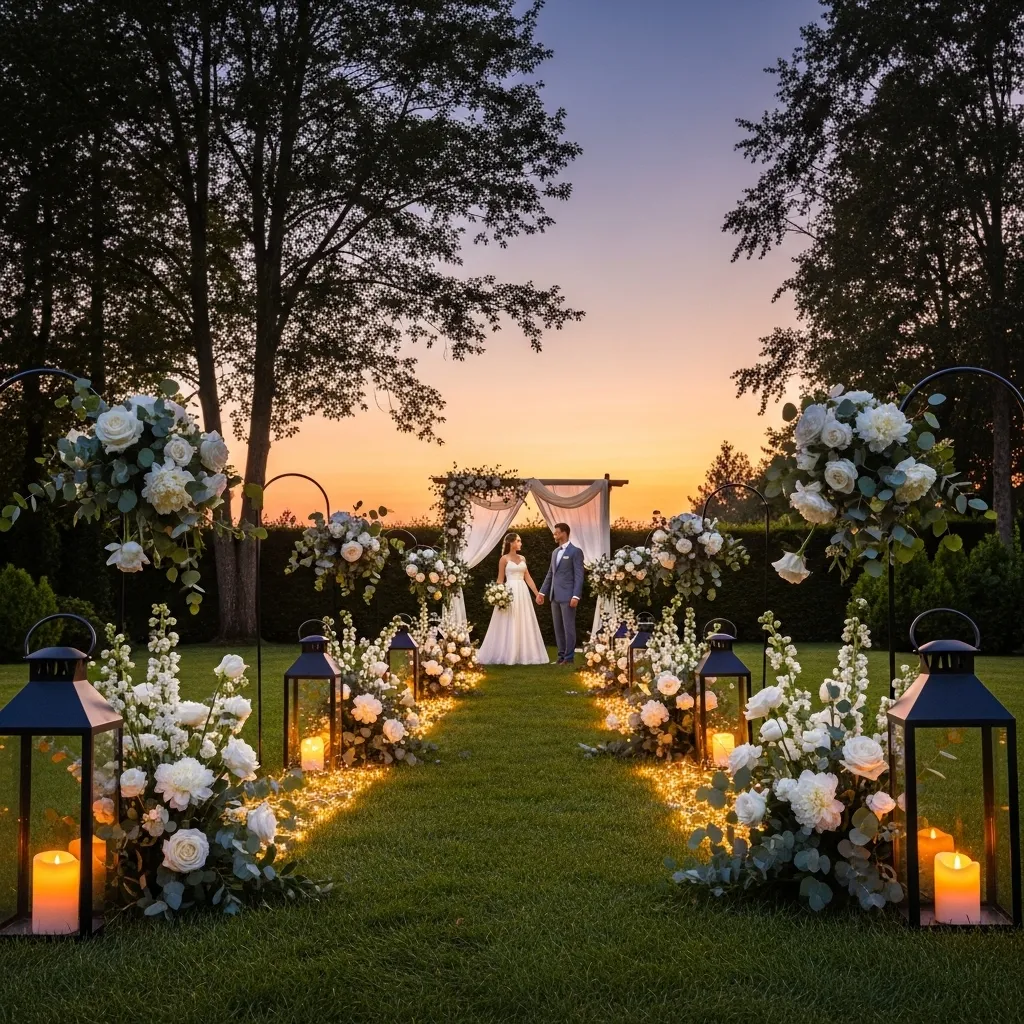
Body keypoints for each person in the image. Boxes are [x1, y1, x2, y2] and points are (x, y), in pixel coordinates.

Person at [477, 532, 550, 665]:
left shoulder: (523, 558)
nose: (520, 543)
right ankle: (507, 652)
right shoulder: (503, 559)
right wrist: (498, 595)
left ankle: (524, 653)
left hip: (522, 592)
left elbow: (528, 577)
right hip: (509, 591)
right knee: (509, 620)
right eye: (518, 541)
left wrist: (537, 593)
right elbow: (500, 579)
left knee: (523, 619)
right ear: (511, 543)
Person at [537, 522, 585, 665]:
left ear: (564, 533)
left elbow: (579, 575)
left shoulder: (576, 552)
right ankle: (561, 657)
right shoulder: (555, 552)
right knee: (558, 628)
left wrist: (576, 595)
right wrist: (542, 593)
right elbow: (550, 574)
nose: (555, 535)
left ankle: (569, 658)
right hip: (554, 596)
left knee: (568, 627)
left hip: (568, 596)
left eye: (556, 532)